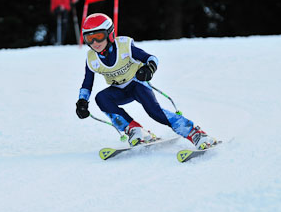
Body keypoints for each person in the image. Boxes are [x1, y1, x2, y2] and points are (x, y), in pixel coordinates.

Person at [75, 13, 218, 149]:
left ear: (110, 34)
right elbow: (87, 84)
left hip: (137, 85)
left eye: (99, 36)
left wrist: (149, 69)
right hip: (118, 91)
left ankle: (196, 134)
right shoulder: (92, 59)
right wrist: (82, 101)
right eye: (89, 38)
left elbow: (151, 58)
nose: (95, 43)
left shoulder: (124, 46)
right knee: (101, 98)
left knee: (154, 112)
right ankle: (135, 130)